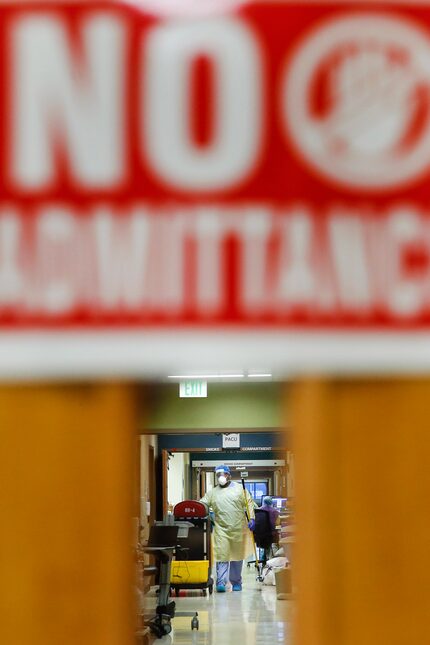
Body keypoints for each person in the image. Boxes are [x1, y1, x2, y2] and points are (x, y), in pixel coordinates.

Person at [200, 465, 254, 592]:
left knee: (237, 556)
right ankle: (221, 582)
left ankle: (236, 582)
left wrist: (252, 518)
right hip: (221, 529)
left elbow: (249, 503)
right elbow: (202, 504)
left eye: (223, 474)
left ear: (229, 475)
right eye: (218, 475)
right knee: (222, 555)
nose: (220, 477)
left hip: (238, 528)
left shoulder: (240, 489)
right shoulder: (213, 492)